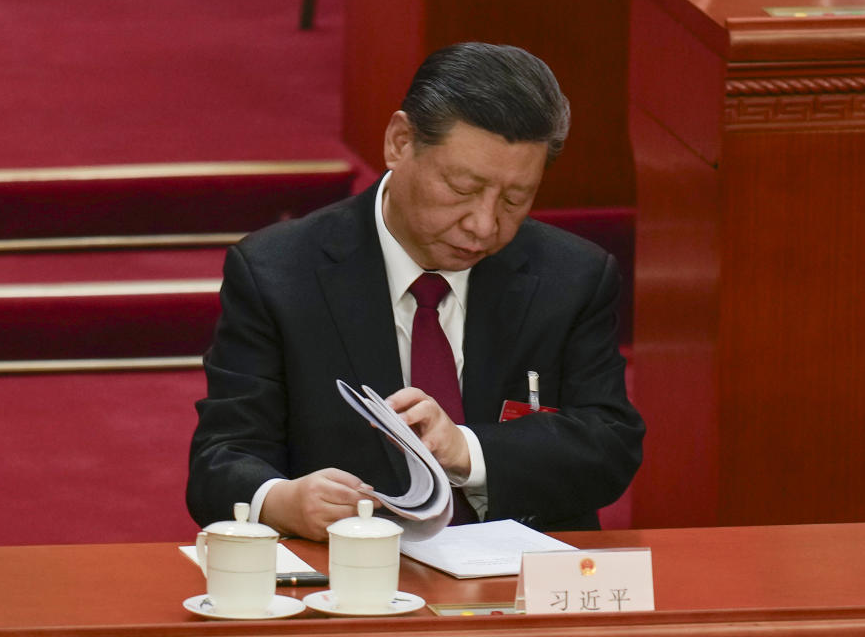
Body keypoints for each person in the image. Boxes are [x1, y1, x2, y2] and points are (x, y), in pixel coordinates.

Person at [187, 42, 644, 541]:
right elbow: (220, 459)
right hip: (353, 585)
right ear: (400, 142)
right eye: (463, 189)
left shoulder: (572, 276)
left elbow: (610, 446)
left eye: (517, 198)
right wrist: (281, 501)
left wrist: (467, 450)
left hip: (519, 587)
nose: (484, 224)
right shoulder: (278, 272)